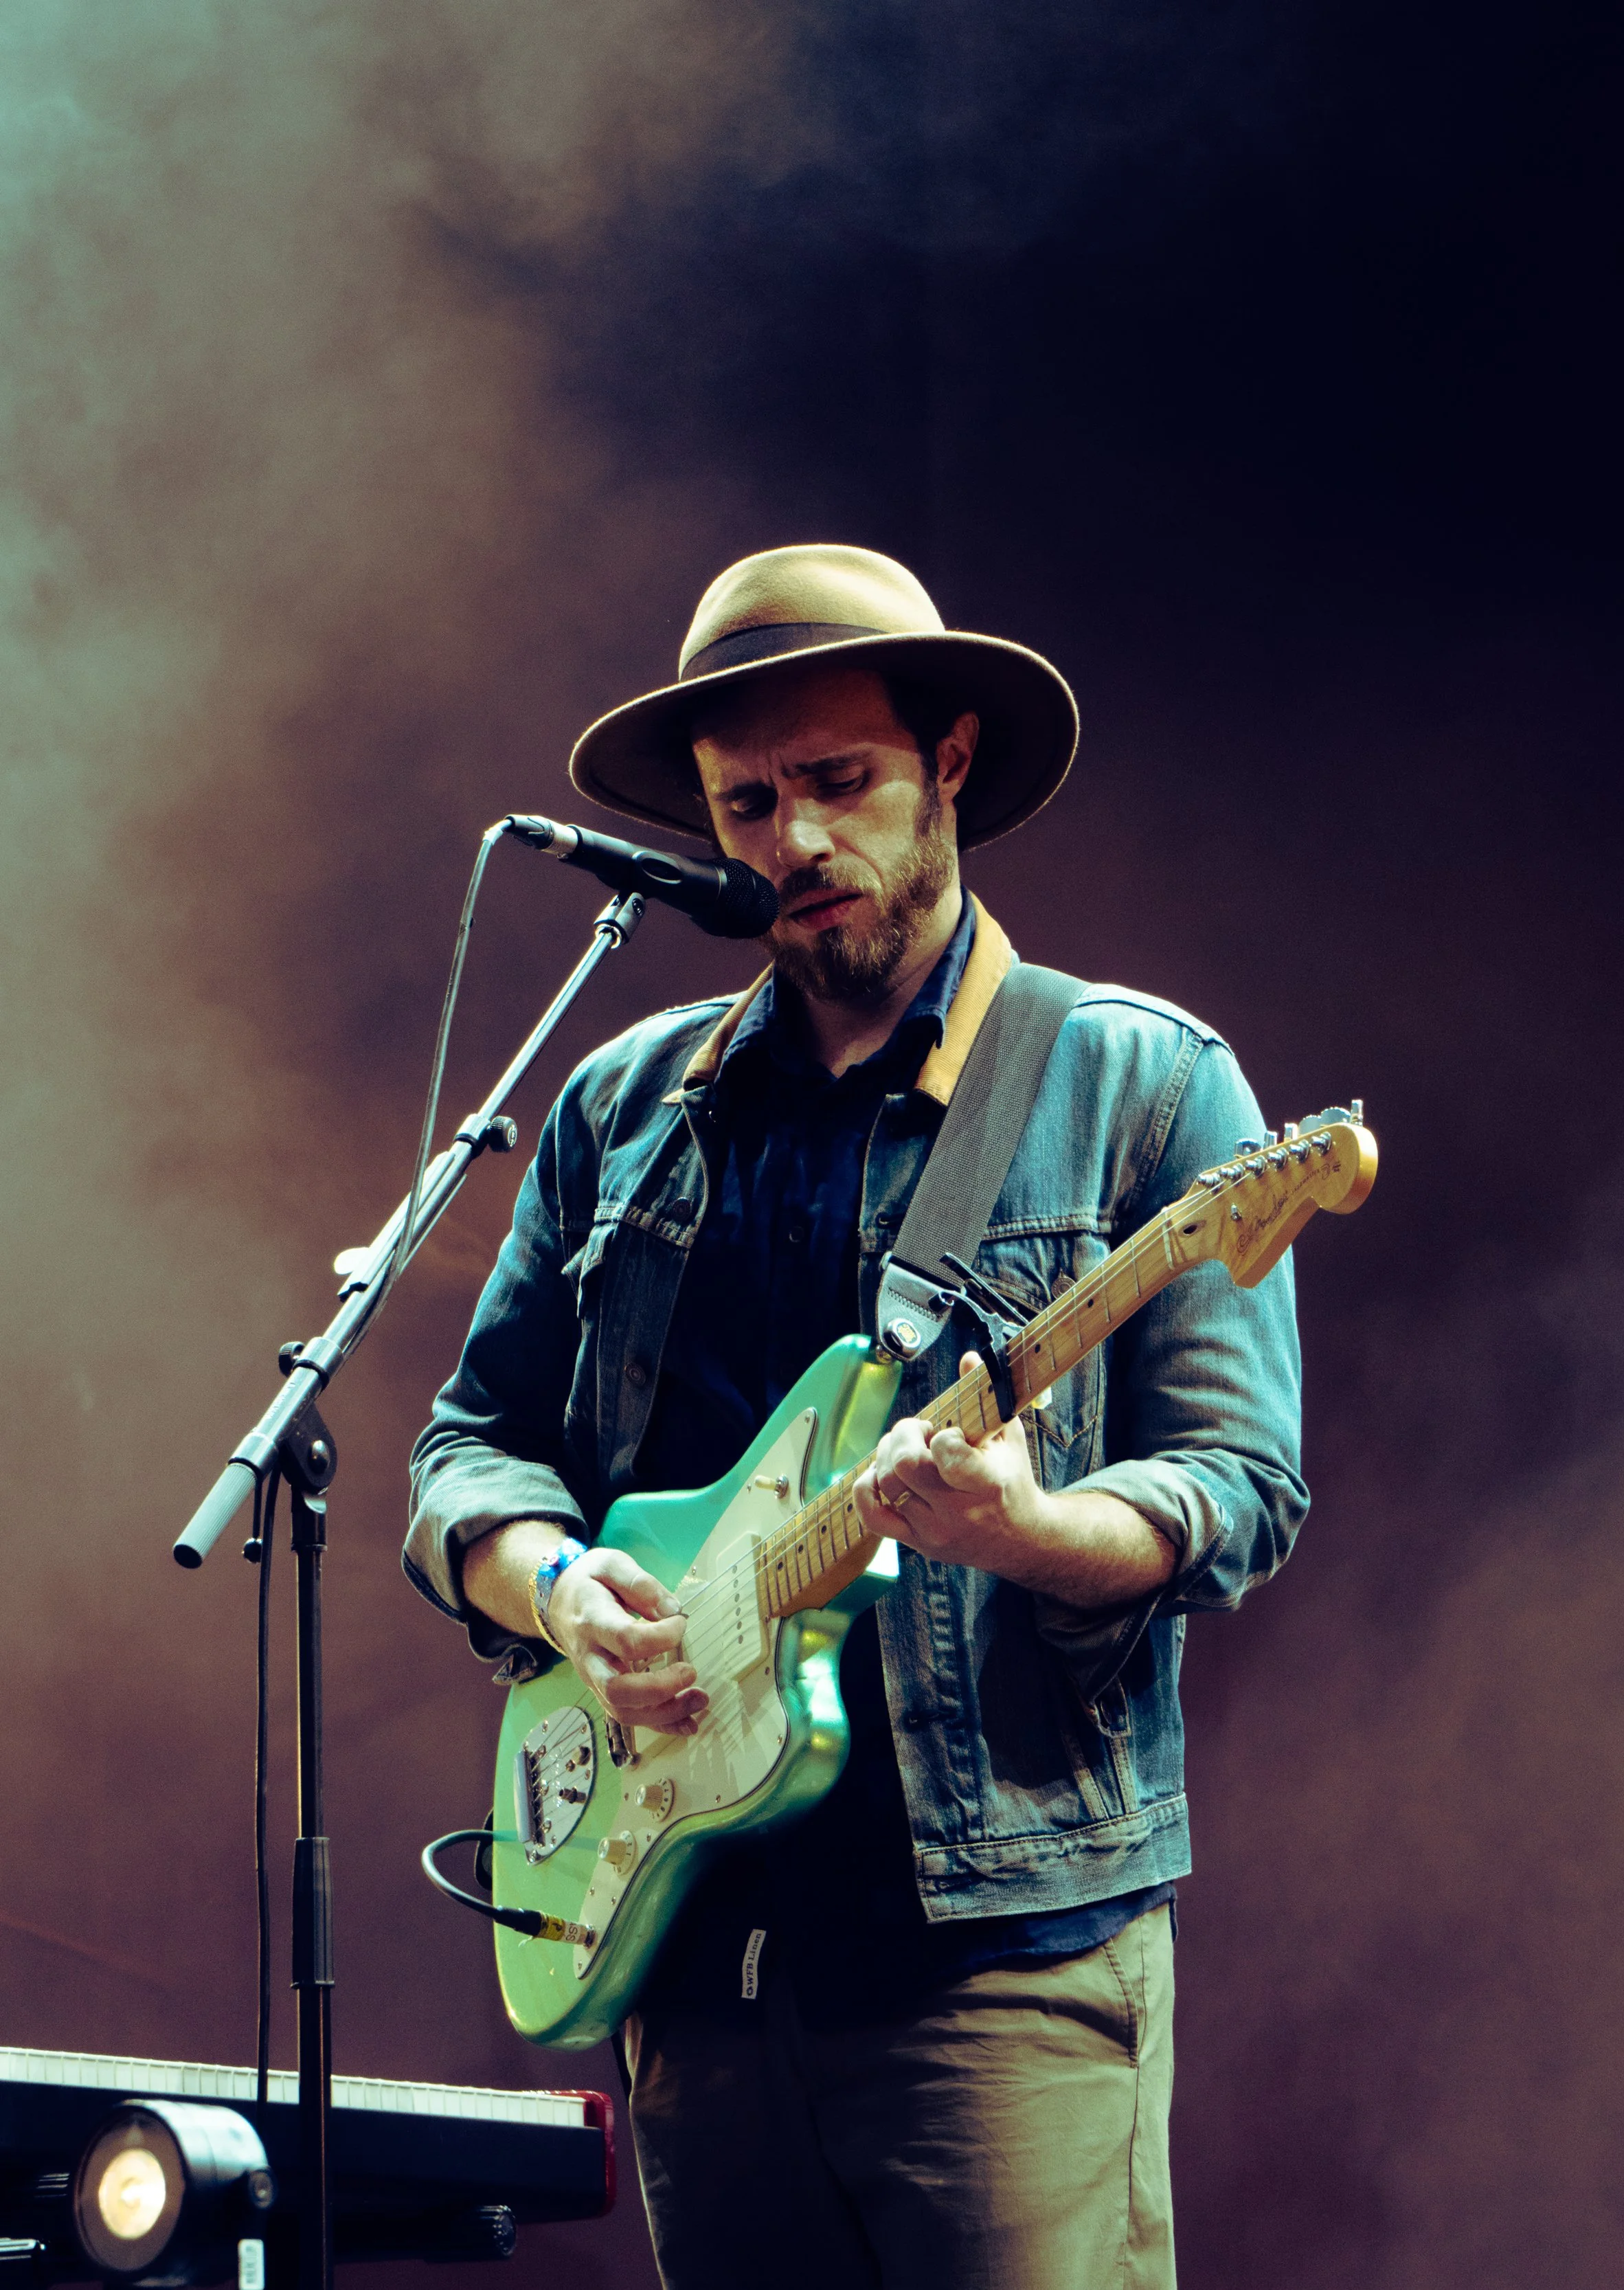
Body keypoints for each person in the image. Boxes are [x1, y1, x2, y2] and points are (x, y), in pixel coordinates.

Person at [405, 543, 1306, 2290]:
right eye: (747, 804)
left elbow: (1238, 1484)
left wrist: (1030, 1532)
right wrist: (558, 1586)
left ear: (947, 765)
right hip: (690, 1959)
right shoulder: (622, 1106)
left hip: (996, 1969)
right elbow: (469, 1448)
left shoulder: (1138, 1083)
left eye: (840, 783)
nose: (793, 841)